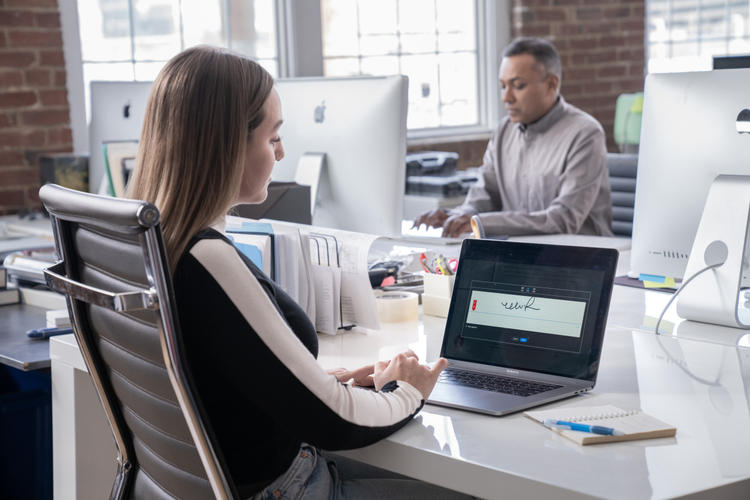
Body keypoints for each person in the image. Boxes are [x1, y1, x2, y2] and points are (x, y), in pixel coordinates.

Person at [127, 46, 469, 500]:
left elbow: (224, 379)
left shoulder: (149, 243)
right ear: (227, 145)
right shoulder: (208, 257)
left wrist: (322, 383)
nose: (283, 152)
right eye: (272, 138)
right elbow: (335, 421)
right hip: (285, 488)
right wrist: (409, 390)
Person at [413, 37, 613, 238]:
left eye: (517, 85)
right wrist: (456, 217)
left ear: (551, 84)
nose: (506, 98)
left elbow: (564, 219)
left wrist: (481, 223)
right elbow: (483, 197)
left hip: (581, 259)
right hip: (521, 255)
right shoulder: (504, 130)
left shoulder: (585, 134)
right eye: (503, 86)